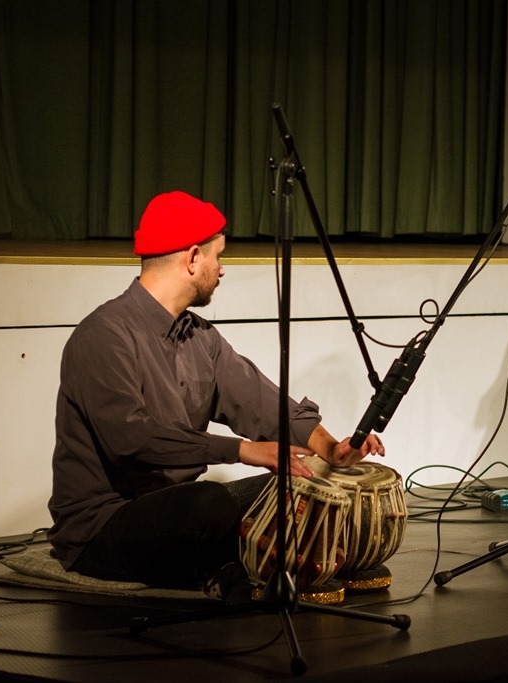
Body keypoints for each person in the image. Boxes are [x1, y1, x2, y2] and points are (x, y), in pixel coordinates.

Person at [47, 190, 384, 596]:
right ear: (192, 259)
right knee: (208, 505)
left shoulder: (200, 338)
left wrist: (331, 450)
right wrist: (241, 451)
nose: (221, 270)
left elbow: (261, 402)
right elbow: (130, 439)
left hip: (177, 510)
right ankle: (228, 569)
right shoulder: (104, 335)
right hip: (104, 525)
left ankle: (240, 567)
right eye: (217, 256)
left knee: (304, 486)